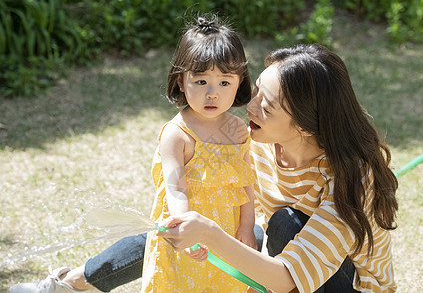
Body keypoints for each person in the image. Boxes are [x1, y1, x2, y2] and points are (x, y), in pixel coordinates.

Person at [9, 43, 399, 293]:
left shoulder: (353, 179)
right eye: (256, 90)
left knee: (284, 222)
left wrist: (211, 234)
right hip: (282, 257)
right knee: (184, 222)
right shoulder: (258, 141)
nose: (249, 106)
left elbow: (285, 277)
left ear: (305, 124)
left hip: (342, 283)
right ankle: (72, 285)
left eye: (266, 105)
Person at [140, 15, 257, 292]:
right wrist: (188, 233)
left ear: (239, 83)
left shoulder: (238, 131)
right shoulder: (177, 134)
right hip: (183, 238)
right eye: (201, 82)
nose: (212, 94)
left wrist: (246, 227)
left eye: (224, 83)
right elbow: (176, 191)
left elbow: (245, 184)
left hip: (225, 233)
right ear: (181, 81)